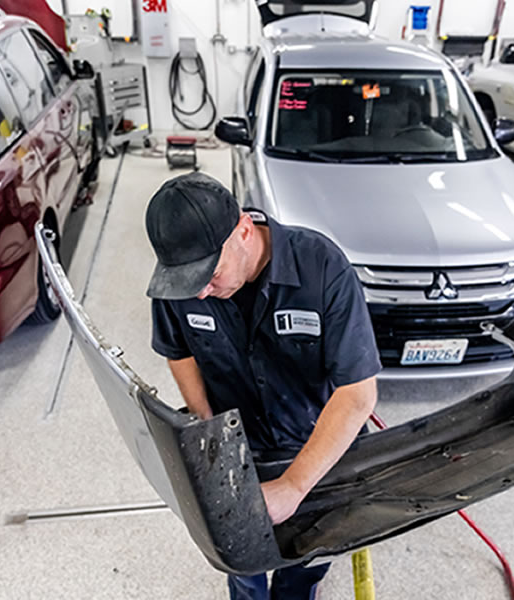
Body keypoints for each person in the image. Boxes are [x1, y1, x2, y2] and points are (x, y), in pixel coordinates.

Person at [146, 172, 382, 600]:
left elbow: (358, 394)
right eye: (188, 281)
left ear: (243, 230)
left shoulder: (321, 268)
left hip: (316, 451)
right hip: (239, 452)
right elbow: (178, 351)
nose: (199, 293)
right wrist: (208, 427)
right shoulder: (180, 283)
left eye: (210, 274)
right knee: (243, 568)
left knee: (302, 567)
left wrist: (294, 486)